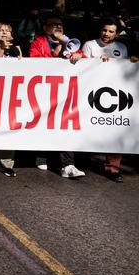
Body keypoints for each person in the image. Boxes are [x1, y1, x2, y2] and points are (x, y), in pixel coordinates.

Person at [29, 16, 86, 179]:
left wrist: (79, 56)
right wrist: (55, 54)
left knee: (64, 123)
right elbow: (33, 62)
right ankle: (42, 156)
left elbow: (86, 61)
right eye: (53, 24)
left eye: (60, 25)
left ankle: (68, 165)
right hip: (43, 91)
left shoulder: (72, 44)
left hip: (65, 92)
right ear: (45, 28)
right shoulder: (37, 43)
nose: (57, 27)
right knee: (44, 122)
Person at [82, 17, 138, 183]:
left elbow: (123, 71)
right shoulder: (90, 45)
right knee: (89, 126)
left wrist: (131, 63)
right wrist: (96, 63)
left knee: (114, 129)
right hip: (91, 92)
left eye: (111, 31)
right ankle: (83, 160)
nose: (107, 34)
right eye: (104, 30)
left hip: (113, 94)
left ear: (116, 33)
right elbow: (82, 68)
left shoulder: (121, 48)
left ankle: (112, 169)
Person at [0, 22, 21, 176]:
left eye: (7, 30)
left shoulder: (17, 49)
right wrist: (2, 47)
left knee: (10, 128)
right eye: (0, 30)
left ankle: (7, 163)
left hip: (12, 95)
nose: (3, 32)